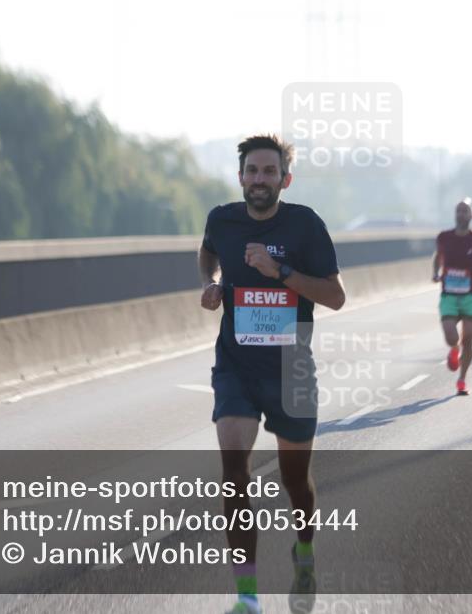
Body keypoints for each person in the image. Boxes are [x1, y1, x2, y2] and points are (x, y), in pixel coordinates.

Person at [199, 134, 346, 614]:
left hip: (292, 367)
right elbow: (207, 252)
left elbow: (335, 296)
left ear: (286, 178)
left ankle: (304, 551)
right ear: (240, 175)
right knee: (233, 473)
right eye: (252, 171)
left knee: (295, 482)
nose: (259, 180)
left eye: (269, 172)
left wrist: (278, 270)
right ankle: (247, 596)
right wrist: (212, 282)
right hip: (236, 366)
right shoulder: (222, 219)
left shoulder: (305, 225)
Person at [432, 199, 472, 395]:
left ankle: (462, 380)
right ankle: (453, 350)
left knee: (469, 339)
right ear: (455, 215)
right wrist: (435, 272)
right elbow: (437, 256)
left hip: (470, 296)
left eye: (465, 211)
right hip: (448, 295)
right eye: (458, 211)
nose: (461, 214)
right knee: (451, 336)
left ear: (471, 216)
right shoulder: (444, 237)